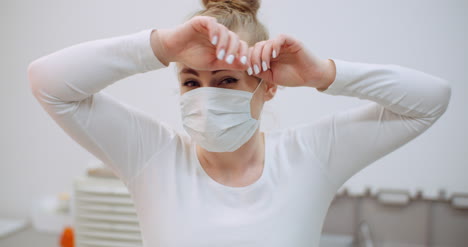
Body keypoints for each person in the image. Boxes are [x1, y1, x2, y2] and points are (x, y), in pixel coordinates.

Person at [27, 0, 451, 246]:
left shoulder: (311, 156)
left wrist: (323, 74)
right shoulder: (153, 157)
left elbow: (430, 100)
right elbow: (47, 82)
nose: (206, 96)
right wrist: (162, 45)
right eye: (191, 81)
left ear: (267, 86)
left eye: (227, 80)